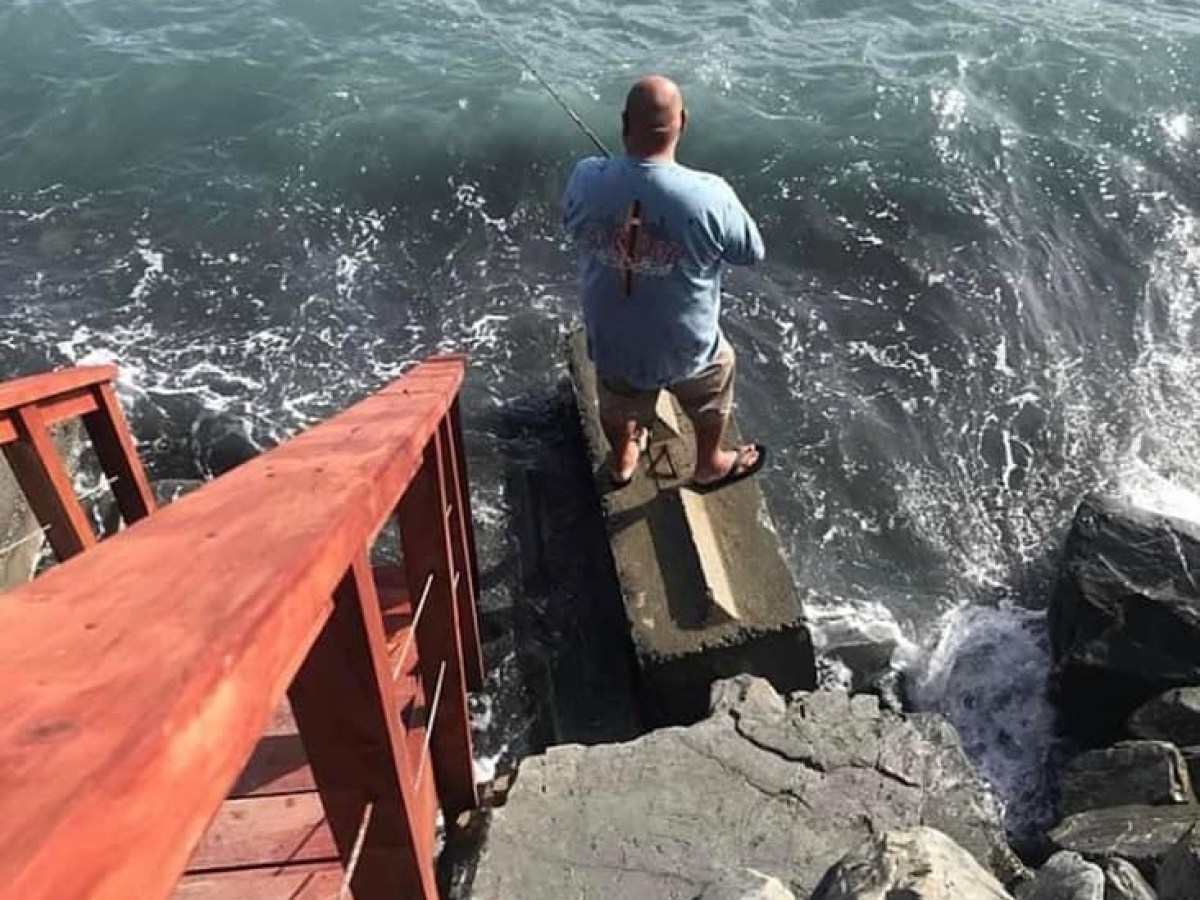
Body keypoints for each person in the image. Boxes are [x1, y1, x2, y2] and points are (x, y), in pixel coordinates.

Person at [561, 74, 767, 491]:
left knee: (616, 402)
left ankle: (621, 462)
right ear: (682, 123)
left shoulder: (586, 178)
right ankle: (709, 463)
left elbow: (572, 221)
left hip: (614, 344)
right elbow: (751, 252)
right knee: (716, 375)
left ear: (624, 123)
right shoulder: (711, 194)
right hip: (687, 347)